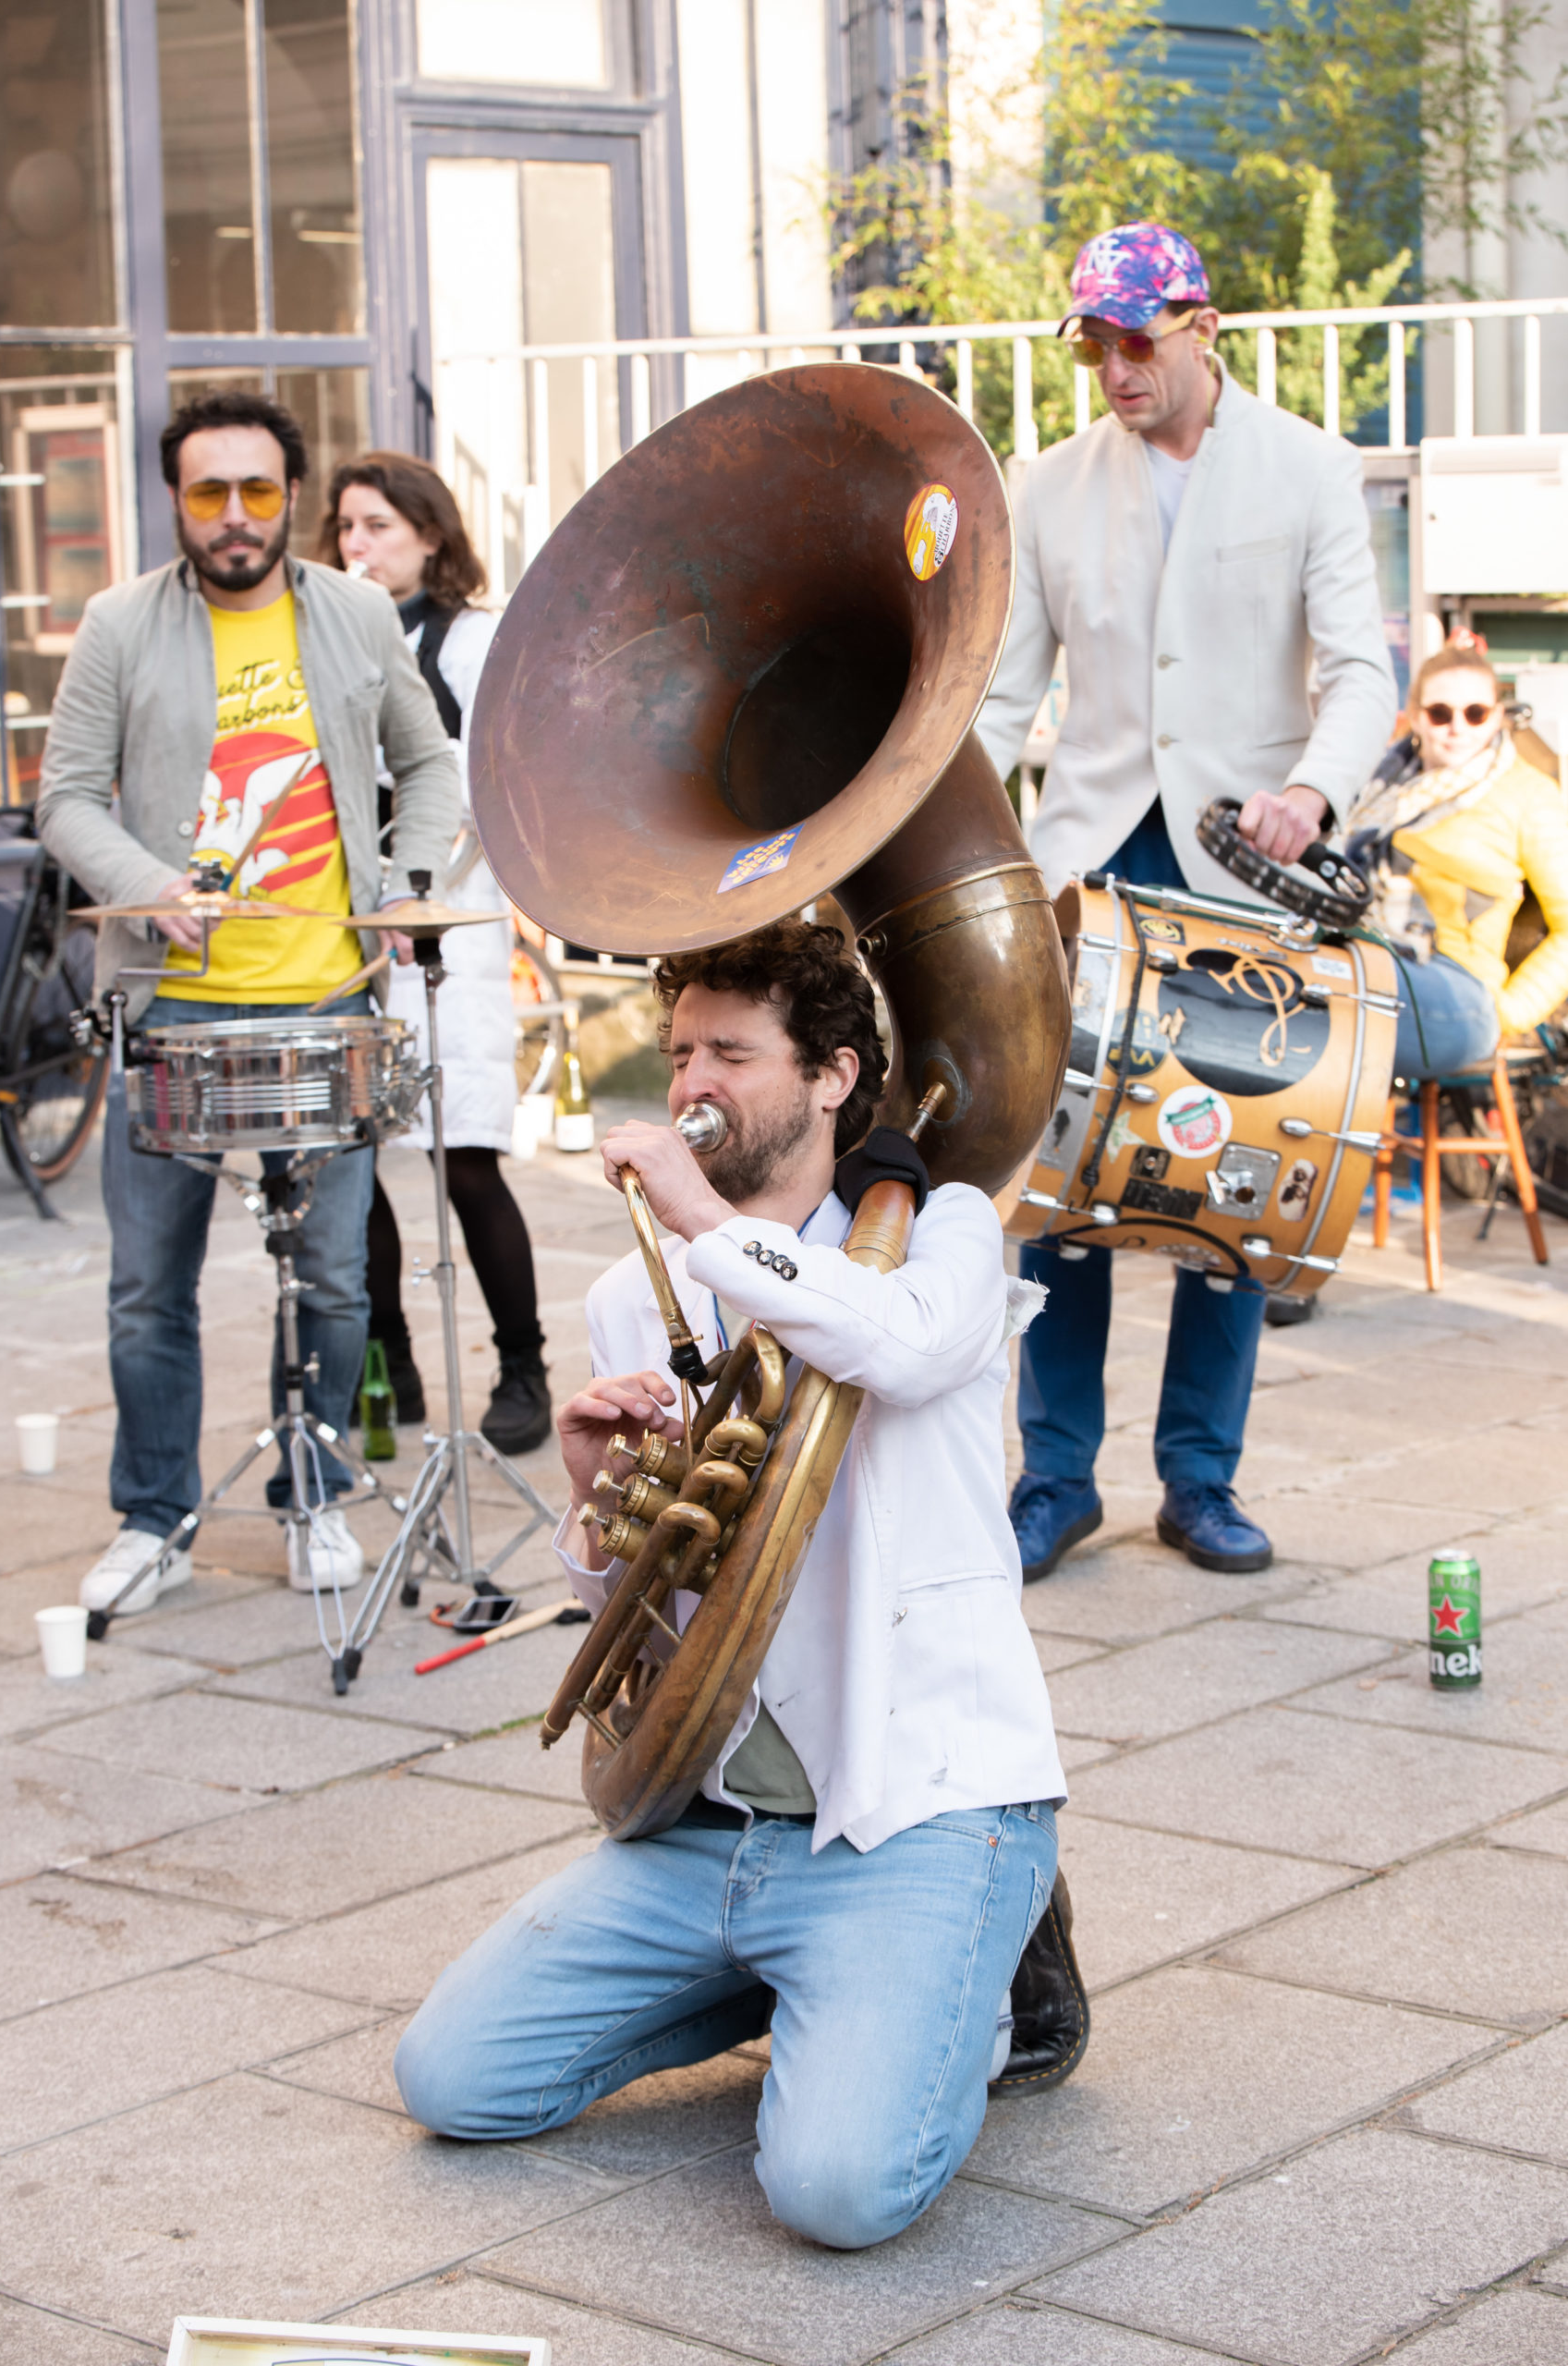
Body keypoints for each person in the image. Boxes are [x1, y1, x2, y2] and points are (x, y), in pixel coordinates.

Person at [393, 919, 1082, 2249]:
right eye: (676, 1053)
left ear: (831, 1076)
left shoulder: (941, 1230)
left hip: (910, 1811)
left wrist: (707, 1221)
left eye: (730, 1052)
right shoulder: (625, 1299)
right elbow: (648, 1620)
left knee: (836, 2196)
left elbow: (905, 1350)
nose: (691, 1082)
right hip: (708, 1824)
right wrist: (601, 1506)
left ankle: (951, 1983)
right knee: (455, 2082)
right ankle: (812, 1988)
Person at [978, 221, 1398, 1580]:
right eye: (1094, 343)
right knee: (1063, 1189)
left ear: (1203, 326)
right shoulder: (1042, 487)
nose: (1114, 367)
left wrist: (1315, 794)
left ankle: (1199, 1483)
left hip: (1246, 876)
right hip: (1087, 871)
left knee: (1235, 1181)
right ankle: (1054, 1479)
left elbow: (1359, 675)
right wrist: (955, 837)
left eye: (1137, 339)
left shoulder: (1311, 468)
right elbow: (1004, 695)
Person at [37, 391, 459, 1615]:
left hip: (328, 996)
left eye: (259, 491)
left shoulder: (359, 612)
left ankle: (314, 1494)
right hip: (171, 1006)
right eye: (209, 492)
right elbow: (66, 799)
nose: (235, 516)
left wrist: (409, 888)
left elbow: (427, 761)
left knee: (332, 1276)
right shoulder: (118, 625)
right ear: (176, 499)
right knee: (146, 1285)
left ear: (291, 495)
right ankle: (155, 1515)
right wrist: (144, 885)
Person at [319, 453, 550, 1457]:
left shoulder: (470, 640)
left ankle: (524, 1366)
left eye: (374, 526)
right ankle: (390, 1364)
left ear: (428, 535)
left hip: (447, 922)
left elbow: (482, 779)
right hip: (350, 924)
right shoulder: (324, 636)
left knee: (464, 1159)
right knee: (352, 1163)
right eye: (343, 529)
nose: (355, 546)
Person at [1347, 640, 1568, 1076]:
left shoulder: (1528, 794)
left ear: (1497, 718)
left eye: (1475, 713)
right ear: (1416, 716)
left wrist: (1511, 1012)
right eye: (1440, 712)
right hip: (1368, 960)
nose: (1457, 726)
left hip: (1460, 990)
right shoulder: (1379, 788)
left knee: (1323, 1011)